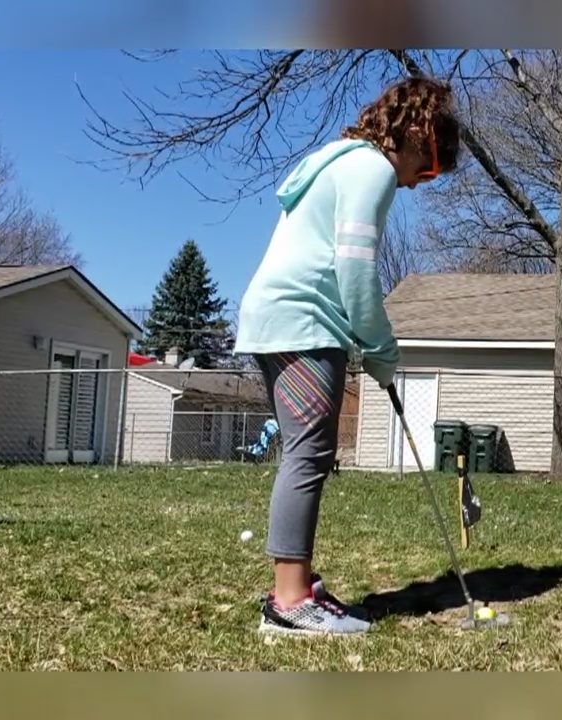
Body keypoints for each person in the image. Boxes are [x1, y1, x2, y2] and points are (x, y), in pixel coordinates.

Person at [232, 77, 462, 636]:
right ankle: (289, 604)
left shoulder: (340, 161)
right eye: (426, 167)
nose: (416, 183)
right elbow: (355, 270)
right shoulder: (372, 170)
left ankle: (296, 583)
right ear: (415, 133)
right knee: (309, 454)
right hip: (303, 322)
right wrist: (382, 348)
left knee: (306, 451)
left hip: (279, 319)